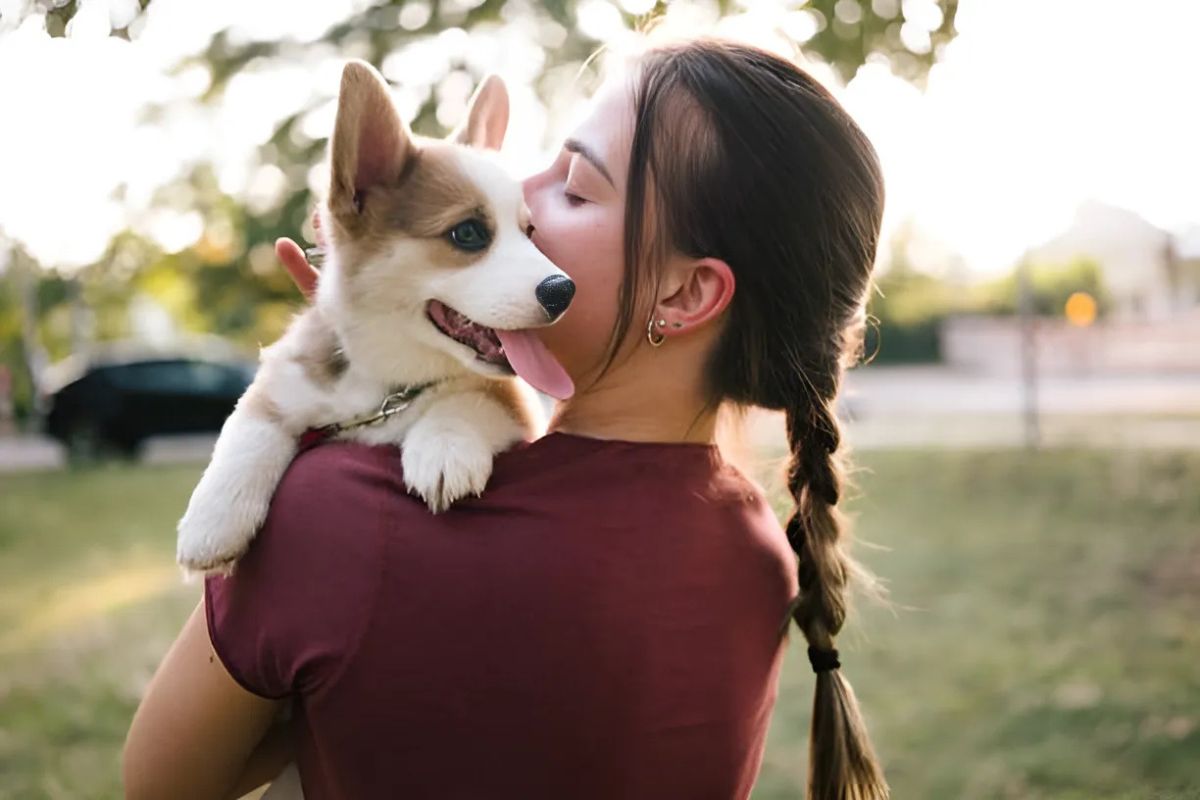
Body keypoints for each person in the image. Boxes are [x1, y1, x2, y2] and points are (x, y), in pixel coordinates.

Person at [123, 37, 888, 800]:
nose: (522, 188)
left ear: (685, 296)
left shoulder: (343, 519)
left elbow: (162, 783)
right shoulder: (758, 549)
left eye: (574, 188)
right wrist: (384, 343)